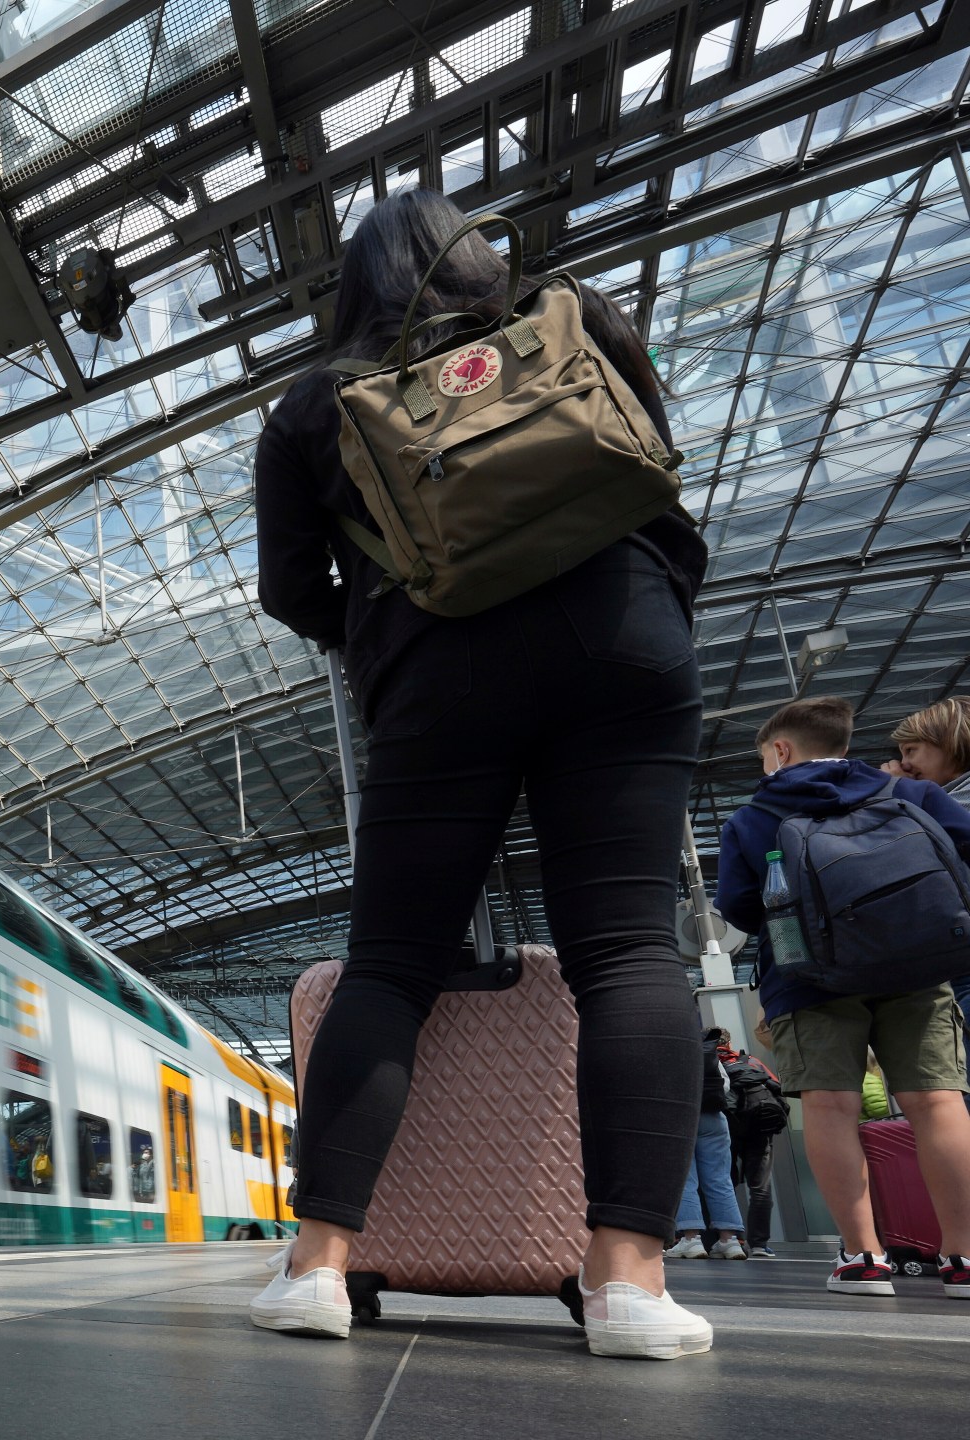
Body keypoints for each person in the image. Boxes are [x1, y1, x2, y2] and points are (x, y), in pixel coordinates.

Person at [247, 188, 714, 1359]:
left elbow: (290, 589)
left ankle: (318, 1267)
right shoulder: (581, 318)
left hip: (436, 665)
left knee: (392, 964)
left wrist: (383, 623)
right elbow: (650, 465)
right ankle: (628, 1286)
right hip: (624, 634)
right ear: (481, 263)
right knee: (628, 951)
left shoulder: (316, 405)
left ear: (353, 289)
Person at [713, 695, 970, 1300]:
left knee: (832, 1109)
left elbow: (740, 907)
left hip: (807, 979)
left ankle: (863, 1257)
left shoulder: (753, 817)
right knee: (937, 1104)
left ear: (780, 750)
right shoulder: (910, 795)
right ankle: (963, 1258)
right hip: (916, 968)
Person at [883, 696, 970, 1019]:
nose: (904, 763)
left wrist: (900, 794)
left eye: (911, 750)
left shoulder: (954, 803)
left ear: (950, 743)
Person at [667, 1029, 748, 1260]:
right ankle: (730, 1241)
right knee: (720, 1178)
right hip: (714, 1116)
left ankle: (691, 1240)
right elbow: (724, 1084)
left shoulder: (668, 1046)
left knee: (685, 1179)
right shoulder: (706, 1049)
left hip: (680, 1116)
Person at [716, 1030, 787, 1257]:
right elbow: (777, 1088)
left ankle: (729, 1240)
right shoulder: (752, 1062)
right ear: (730, 1042)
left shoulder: (710, 1065)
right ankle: (759, 1244)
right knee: (760, 1188)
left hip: (728, 1129)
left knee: (722, 1184)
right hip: (759, 1129)